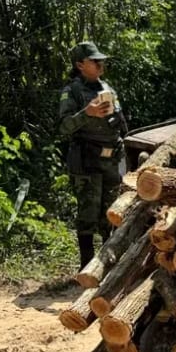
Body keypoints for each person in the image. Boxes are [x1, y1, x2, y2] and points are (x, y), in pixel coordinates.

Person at [59, 41, 128, 269]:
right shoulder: (72, 91)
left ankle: (108, 267)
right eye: (94, 61)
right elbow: (63, 127)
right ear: (80, 65)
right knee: (88, 216)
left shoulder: (107, 89)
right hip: (87, 161)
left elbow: (120, 123)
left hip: (111, 161)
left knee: (111, 215)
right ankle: (86, 267)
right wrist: (86, 114)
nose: (101, 64)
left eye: (102, 60)